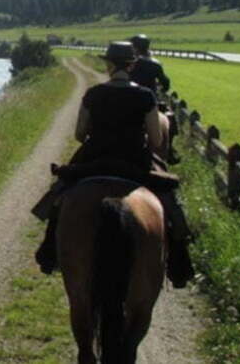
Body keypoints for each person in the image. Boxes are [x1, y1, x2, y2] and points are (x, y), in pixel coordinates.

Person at [32, 42, 194, 287]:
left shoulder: (93, 94)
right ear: (132, 65)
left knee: (61, 195)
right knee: (170, 204)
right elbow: (157, 139)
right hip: (135, 161)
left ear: (108, 64)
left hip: (94, 159)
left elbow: (79, 134)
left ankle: (49, 252)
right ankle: (179, 265)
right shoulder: (145, 95)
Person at [129, 33, 180, 164]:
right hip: (150, 101)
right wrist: (160, 90)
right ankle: (169, 152)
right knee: (170, 118)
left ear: (135, 47)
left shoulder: (128, 62)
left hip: (128, 98)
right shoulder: (155, 63)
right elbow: (166, 84)